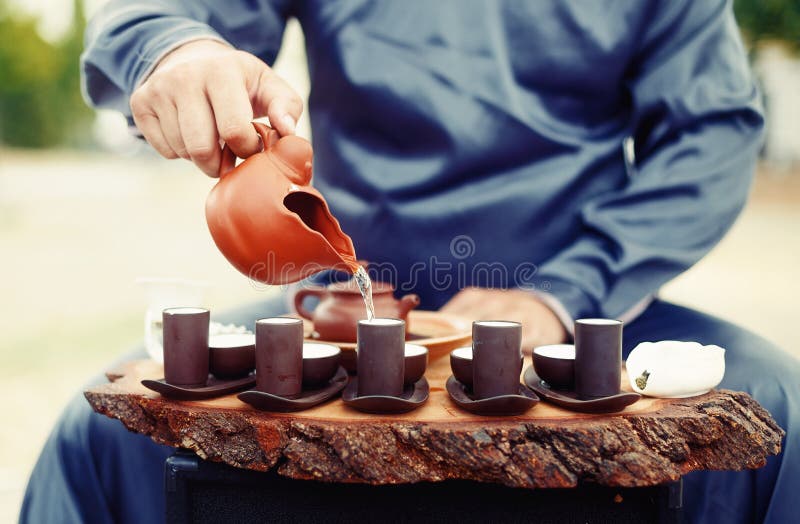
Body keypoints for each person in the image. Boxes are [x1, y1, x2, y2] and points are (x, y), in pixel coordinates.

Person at [21, 1, 798, 522]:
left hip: (587, 313)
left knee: (783, 419)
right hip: (342, 317)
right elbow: (154, 14)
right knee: (98, 433)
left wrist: (559, 299)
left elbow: (713, 130)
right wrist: (173, 48)